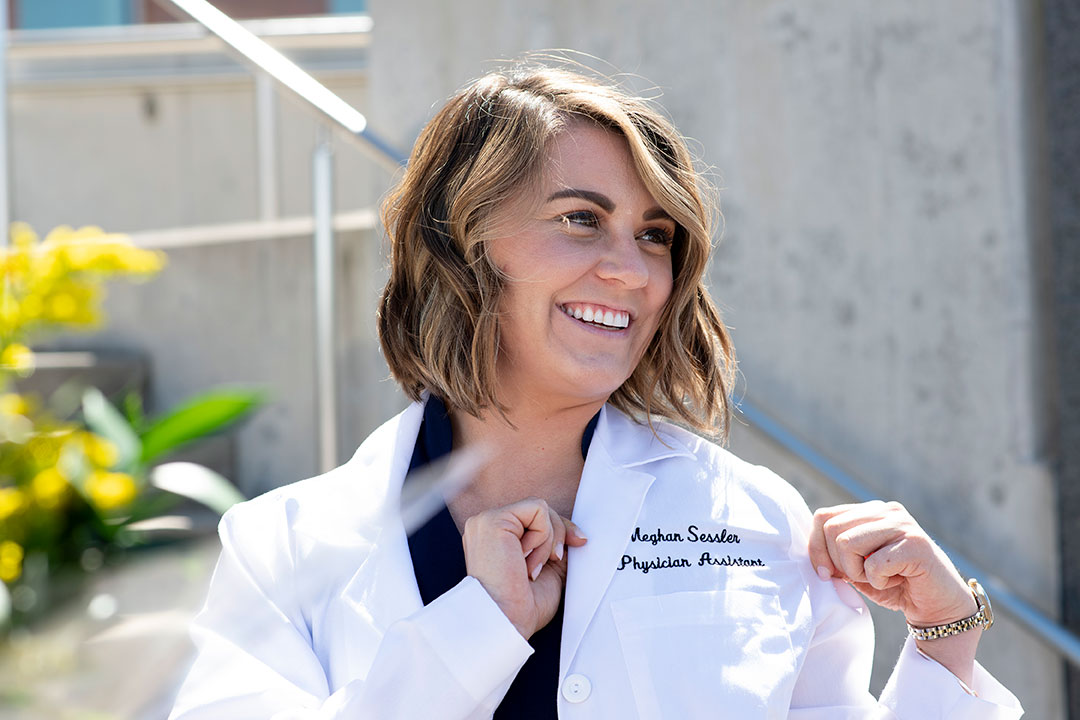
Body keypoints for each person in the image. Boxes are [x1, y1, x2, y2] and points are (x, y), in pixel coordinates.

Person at [169, 62, 1024, 719]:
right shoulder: (279, 549)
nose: (630, 271)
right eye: (580, 218)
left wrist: (947, 644)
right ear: (464, 240)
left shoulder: (757, 522)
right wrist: (478, 628)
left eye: (654, 235)